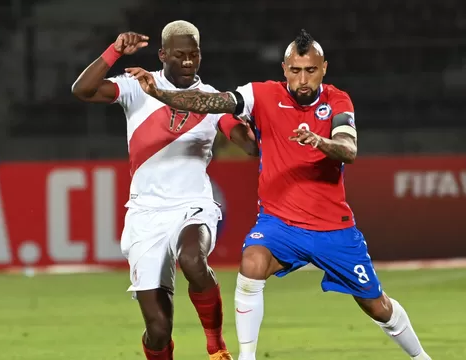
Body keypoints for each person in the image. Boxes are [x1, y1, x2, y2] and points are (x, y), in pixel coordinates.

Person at [127, 29, 432, 360]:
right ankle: (247, 357)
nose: (303, 79)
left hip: (332, 227)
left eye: (311, 71)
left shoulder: (337, 101)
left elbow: (349, 149)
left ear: (324, 68)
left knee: (377, 305)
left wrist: (320, 141)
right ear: (285, 68)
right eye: (296, 70)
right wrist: (159, 93)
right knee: (252, 262)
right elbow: (212, 102)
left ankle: (420, 357)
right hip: (279, 224)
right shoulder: (261, 95)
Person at [71, 20, 257, 360]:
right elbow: (82, 90)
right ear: (162, 54)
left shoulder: (212, 100)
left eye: (194, 55)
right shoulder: (137, 85)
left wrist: (256, 128)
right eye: (180, 55)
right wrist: (115, 51)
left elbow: (248, 144)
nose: (188, 61)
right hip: (145, 215)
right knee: (158, 331)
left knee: (192, 259)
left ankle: (216, 347)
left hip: (193, 204)